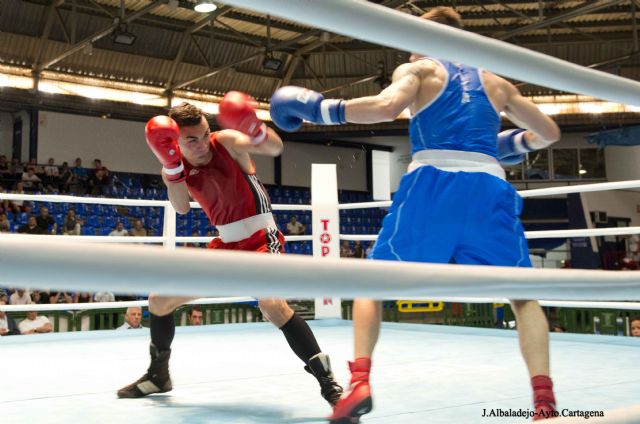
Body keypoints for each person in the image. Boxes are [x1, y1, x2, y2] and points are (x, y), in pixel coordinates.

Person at [269, 7, 561, 422]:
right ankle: (544, 402)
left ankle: (360, 382)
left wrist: (321, 110)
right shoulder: (497, 82)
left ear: (424, 36)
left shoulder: (422, 69)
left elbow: (387, 107)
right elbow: (549, 133)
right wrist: (511, 142)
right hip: (489, 187)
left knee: (372, 284)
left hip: (433, 184)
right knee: (522, 295)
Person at [117, 95, 342, 406]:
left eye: (204, 133)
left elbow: (275, 148)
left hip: (263, 237)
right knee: (159, 300)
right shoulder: (175, 165)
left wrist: (255, 127)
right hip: (225, 246)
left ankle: (327, 381)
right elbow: (181, 207)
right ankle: (158, 375)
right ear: (175, 142)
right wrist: (170, 167)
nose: (202, 143)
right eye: (191, 139)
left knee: (272, 304)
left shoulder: (225, 141)